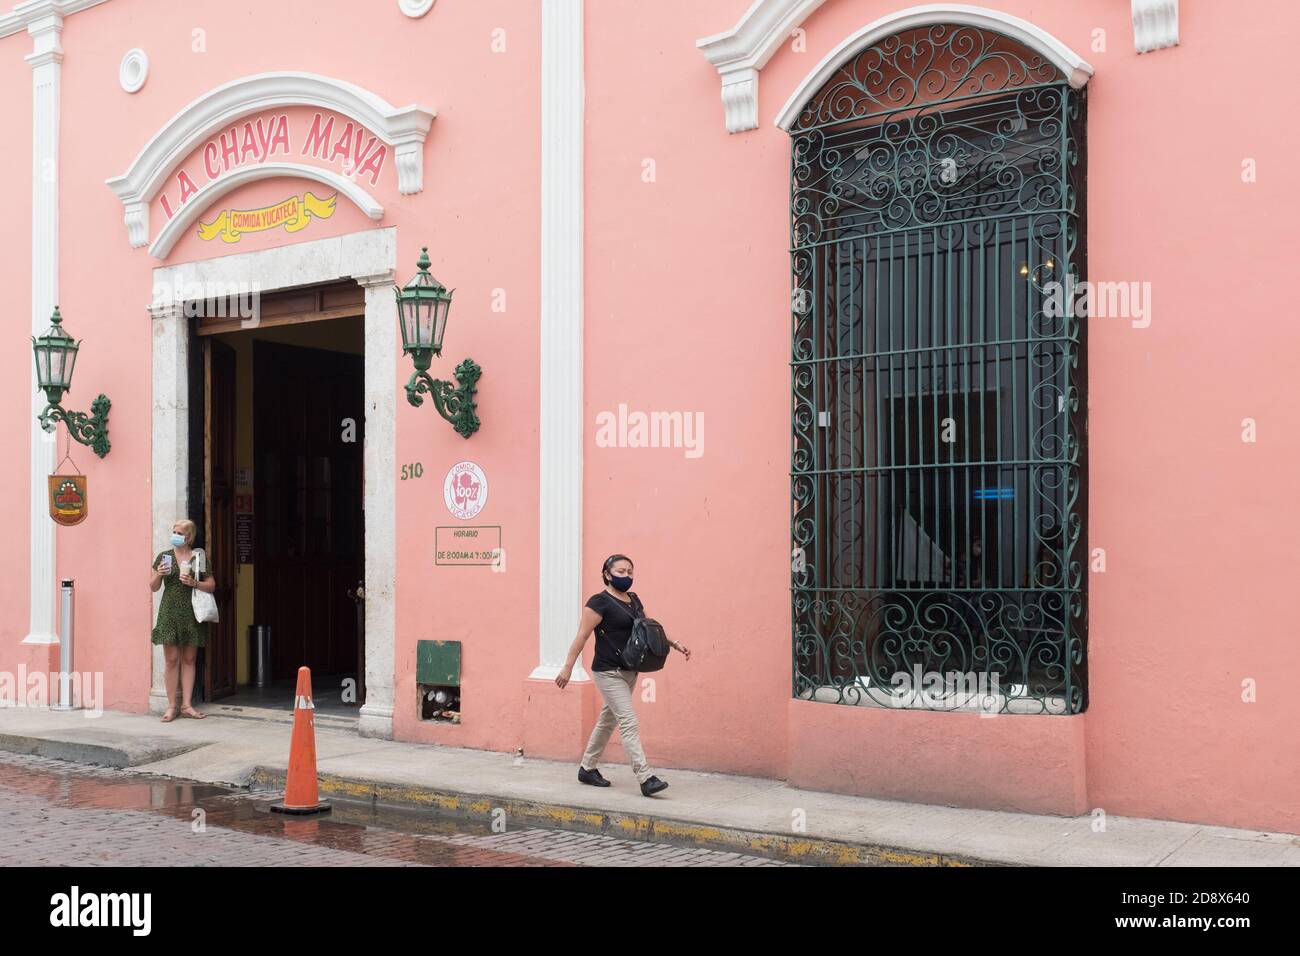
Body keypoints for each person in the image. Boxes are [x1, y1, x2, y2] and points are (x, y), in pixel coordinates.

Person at [555, 554, 690, 796]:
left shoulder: (634, 600)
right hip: (608, 671)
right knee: (628, 720)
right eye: (620, 572)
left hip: (630, 670)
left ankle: (587, 768)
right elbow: (582, 636)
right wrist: (567, 667)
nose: (626, 576)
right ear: (607, 574)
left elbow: (647, 628)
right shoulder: (599, 603)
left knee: (608, 720)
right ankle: (645, 777)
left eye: (630, 572)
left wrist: (673, 643)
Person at [150, 519, 217, 722]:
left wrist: (194, 582)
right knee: (171, 660)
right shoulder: (164, 556)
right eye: (174, 531)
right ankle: (171, 706)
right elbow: (152, 587)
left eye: (179, 532)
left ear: (188, 537)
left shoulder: (199, 557)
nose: (175, 535)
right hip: (169, 612)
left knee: (189, 659)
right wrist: (159, 575)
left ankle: (187, 705)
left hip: (191, 613)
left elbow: (212, 585)